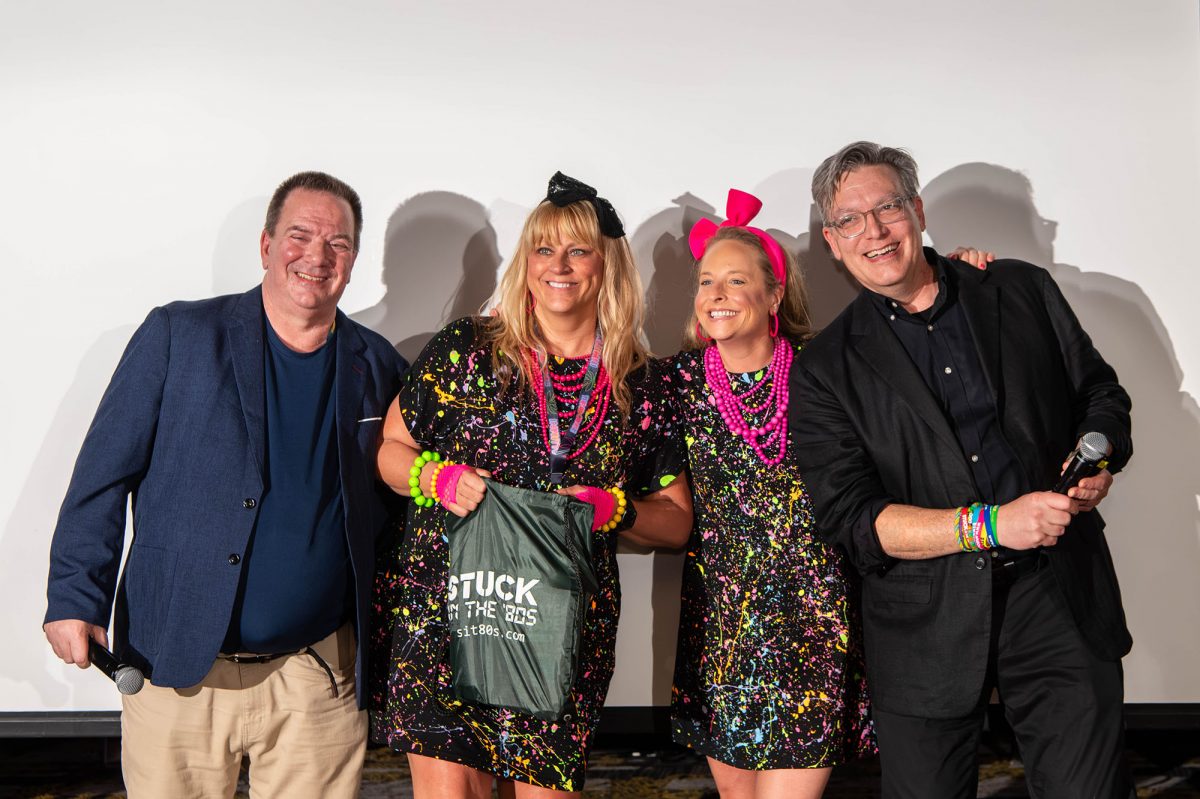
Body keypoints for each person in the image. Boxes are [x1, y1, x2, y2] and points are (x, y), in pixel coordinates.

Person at [44, 171, 408, 799]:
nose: (317, 256)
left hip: (316, 679)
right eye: (300, 236)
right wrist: (76, 597)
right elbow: (103, 475)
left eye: (339, 243)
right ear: (266, 246)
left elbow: (397, 510)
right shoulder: (178, 335)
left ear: (353, 261)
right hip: (177, 670)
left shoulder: (379, 365)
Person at [789, 141, 1134, 798]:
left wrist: (1100, 452)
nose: (874, 231)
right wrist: (992, 525)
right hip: (924, 623)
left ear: (917, 210)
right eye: (850, 220)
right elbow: (853, 521)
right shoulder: (824, 369)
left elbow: (1099, 392)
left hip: (1054, 594)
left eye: (888, 207)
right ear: (832, 242)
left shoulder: (1020, 288)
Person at [372, 172, 693, 797]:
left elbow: (677, 522)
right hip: (447, 621)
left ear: (607, 265)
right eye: (544, 249)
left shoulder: (639, 383)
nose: (558, 266)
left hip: (557, 637)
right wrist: (433, 476)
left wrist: (616, 510)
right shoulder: (468, 348)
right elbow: (389, 451)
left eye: (578, 250)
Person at [666, 189, 874, 799]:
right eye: (707, 282)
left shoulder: (825, 368)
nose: (717, 294)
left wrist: (962, 272)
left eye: (736, 280)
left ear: (774, 295)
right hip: (721, 624)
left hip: (811, 617)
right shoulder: (673, 381)